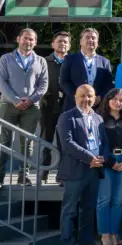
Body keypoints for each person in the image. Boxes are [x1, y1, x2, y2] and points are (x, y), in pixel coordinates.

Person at [56, 84, 108, 245]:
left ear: (95, 98)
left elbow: (104, 142)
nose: (86, 99)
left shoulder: (98, 118)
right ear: (75, 97)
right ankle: (67, 244)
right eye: (83, 96)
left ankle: (87, 242)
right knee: (70, 209)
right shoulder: (67, 117)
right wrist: (89, 158)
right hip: (75, 170)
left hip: (94, 170)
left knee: (89, 208)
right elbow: (67, 143)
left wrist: (103, 157)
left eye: (90, 96)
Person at [0, 27, 49, 187]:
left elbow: (43, 85)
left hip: (31, 108)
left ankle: (23, 176)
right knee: (4, 141)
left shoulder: (41, 61)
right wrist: (15, 99)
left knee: (27, 143)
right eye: (25, 38)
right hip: (9, 105)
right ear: (18, 39)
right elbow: (1, 82)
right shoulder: (6, 59)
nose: (28, 41)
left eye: (31, 39)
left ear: (35, 42)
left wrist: (31, 100)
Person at [96, 88, 122, 245]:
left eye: (121, 100)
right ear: (108, 100)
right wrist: (110, 162)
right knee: (104, 199)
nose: (118, 103)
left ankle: (114, 233)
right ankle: (104, 234)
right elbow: (98, 144)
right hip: (106, 161)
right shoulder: (99, 119)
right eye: (115, 99)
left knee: (118, 201)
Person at [39, 31, 70, 182]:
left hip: (67, 107)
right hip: (48, 106)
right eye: (59, 41)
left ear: (69, 45)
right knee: (47, 140)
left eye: (65, 42)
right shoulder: (44, 62)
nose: (62, 44)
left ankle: (62, 175)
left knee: (64, 142)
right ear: (53, 44)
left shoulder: (72, 62)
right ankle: (44, 172)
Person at [59, 28, 114, 111]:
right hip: (73, 106)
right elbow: (64, 81)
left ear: (97, 42)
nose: (90, 40)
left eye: (93, 38)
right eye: (87, 37)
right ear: (81, 41)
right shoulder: (70, 59)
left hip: (97, 108)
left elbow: (108, 84)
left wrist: (100, 97)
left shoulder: (104, 62)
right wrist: (77, 97)